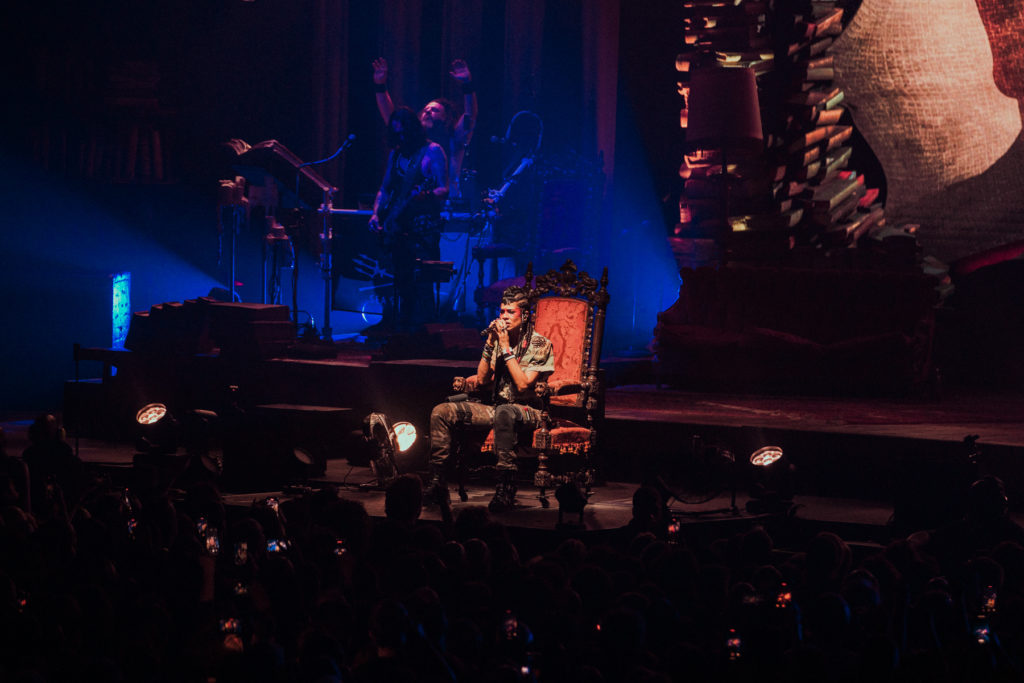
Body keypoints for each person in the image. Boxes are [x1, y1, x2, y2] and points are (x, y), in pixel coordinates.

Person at [428, 285, 554, 512]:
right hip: (496, 406)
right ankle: (438, 482)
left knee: (506, 413)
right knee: (442, 411)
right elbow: (484, 380)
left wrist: (506, 348)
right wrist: (490, 343)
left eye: (510, 312)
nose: (504, 316)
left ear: (524, 315)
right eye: (502, 311)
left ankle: (506, 485)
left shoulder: (539, 343)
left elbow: (524, 385)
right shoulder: (498, 340)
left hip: (529, 410)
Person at [369, 106, 449, 329]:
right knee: (400, 279)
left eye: (404, 134)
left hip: (423, 227)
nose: (401, 139)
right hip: (397, 226)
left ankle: (425, 331)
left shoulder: (433, 151)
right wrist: (376, 213)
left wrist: (425, 196)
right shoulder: (395, 154)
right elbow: (384, 189)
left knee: (423, 281)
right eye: (397, 135)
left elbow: (444, 189)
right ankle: (400, 328)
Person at [372, 57, 478, 200]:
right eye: (426, 109)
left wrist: (467, 84)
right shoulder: (409, 140)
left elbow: (470, 116)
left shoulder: (454, 139)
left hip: (446, 209)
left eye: (434, 110)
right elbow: (392, 118)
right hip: (412, 209)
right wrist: (380, 85)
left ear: (445, 119)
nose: (428, 111)